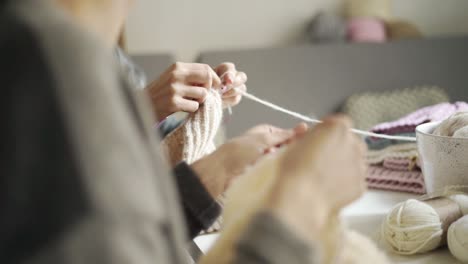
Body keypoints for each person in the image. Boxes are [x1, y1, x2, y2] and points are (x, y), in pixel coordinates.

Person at [0, 0, 367, 264]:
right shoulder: (46, 60)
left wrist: (215, 172)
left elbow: (131, 236)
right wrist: (305, 198)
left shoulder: (72, 51)